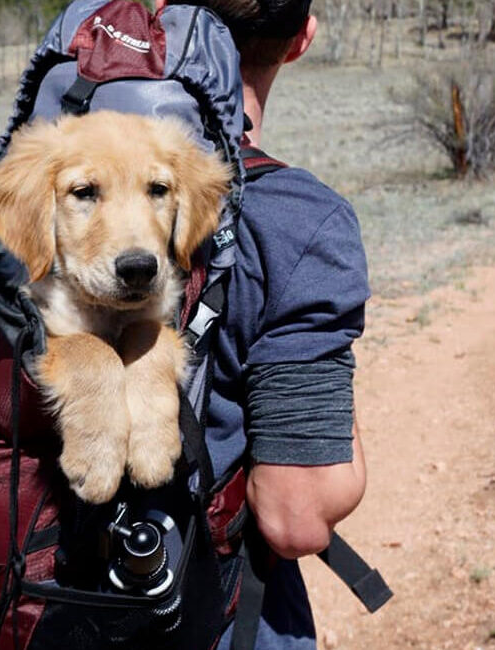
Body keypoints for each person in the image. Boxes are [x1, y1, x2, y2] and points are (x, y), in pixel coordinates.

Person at [159, 0, 371, 646]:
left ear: (166, 13)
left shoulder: (58, 171)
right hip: (203, 619)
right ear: (301, 39)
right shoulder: (300, 224)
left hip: (27, 604)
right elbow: (295, 516)